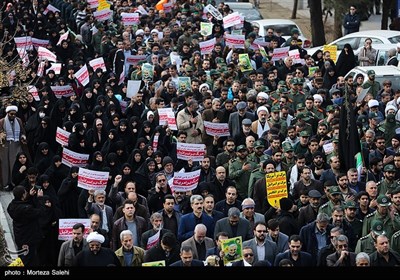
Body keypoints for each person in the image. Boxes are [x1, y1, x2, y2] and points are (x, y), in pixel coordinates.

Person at [7, 185, 44, 266]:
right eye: (25, 193)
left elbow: (22, 204)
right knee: (28, 260)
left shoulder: (11, 206)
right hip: (28, 238)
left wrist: (29, 196)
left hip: (19, 236)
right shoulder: (27, 209)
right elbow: (40, 212)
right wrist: (40, 198)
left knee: (23, 257)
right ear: (23, 195)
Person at [0, 105, 27, 191]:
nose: (13, 116)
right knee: (5, 165)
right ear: (7, 113)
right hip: (5, 146)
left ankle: (14, 182)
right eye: (11, 114)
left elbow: (22, 132)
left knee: (15, 164)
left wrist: (23, 137)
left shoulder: (18, 120)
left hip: (16, 144)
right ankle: (5, 184)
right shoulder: (2, 121)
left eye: (14, 114)